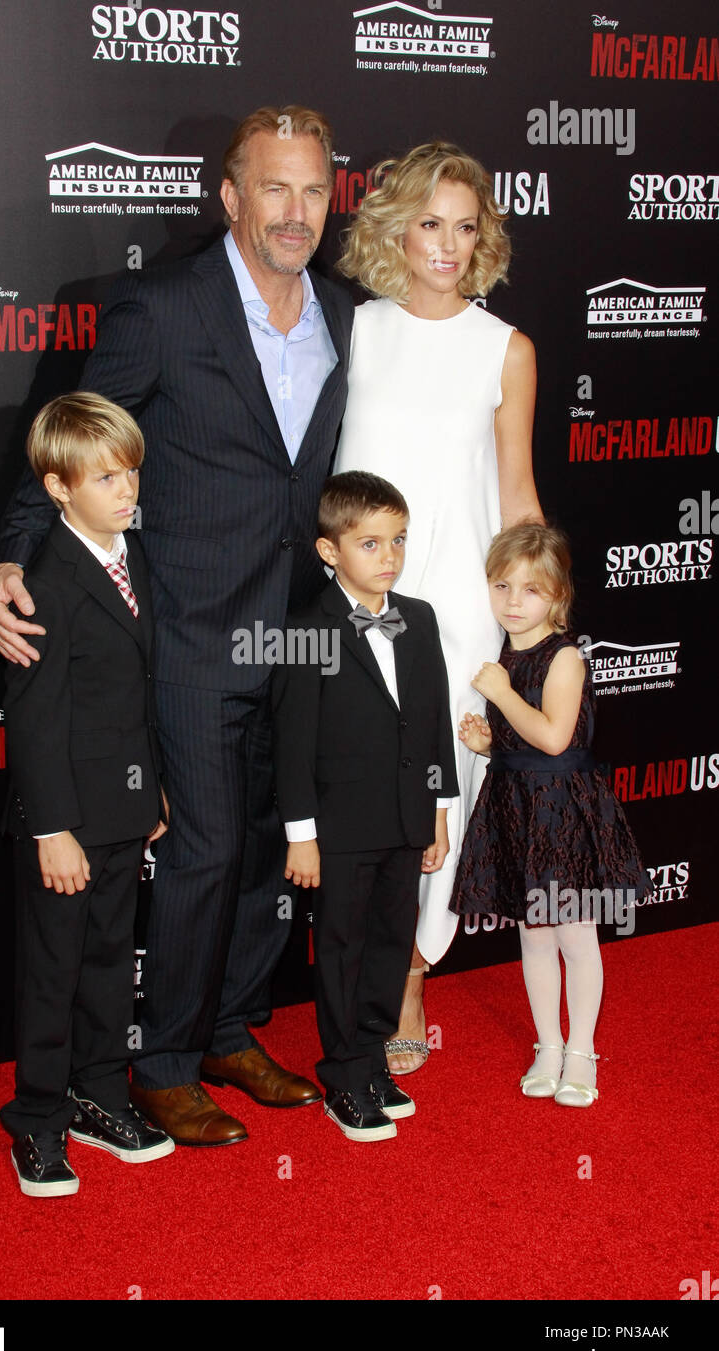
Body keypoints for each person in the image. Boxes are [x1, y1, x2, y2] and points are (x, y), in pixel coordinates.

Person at [0, 107, 354, 1145]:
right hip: (191, 627)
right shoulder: (162, 305)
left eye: (313, 190)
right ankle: (163, 1062)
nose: (294, 211)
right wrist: (13, 554)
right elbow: (71, 443)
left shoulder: (343, 311)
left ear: (334, 200)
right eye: (272, 189)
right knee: (198, 851)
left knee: (261, 849)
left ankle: (232, 1026)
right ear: (230, 197)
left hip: (297, 633)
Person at [333, 140, 543, 1072]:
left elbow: (519, 495)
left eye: (465, 226)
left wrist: (537, 621)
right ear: (394, 228)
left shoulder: (507, 350)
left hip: (458, 607)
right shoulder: (355, 330)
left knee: (443, 797)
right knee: (352, 788)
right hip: (352, 604)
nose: (447, 245)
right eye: (429, 223)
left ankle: (413, 972)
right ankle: (349, 971)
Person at [0, 392, 174, 1195]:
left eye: (130, 472)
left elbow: (137, 693)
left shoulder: (133, 556)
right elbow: (34, 721)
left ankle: (100, 1094)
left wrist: (154, 793)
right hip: (65, 821)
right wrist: (52, 830)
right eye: (105, 478)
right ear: (58, 487)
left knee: (109, 961)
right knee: (54, 969)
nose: (126, 490)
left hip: (124, 808)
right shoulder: (46, 581)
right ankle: (37, 1119)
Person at [271, 473, 458, 1139]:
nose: (389, 556)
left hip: (407, 819)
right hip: (340, 831)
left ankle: (372, 1055)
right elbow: (291, 745)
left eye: (398, 541)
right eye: (371, 543)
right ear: (330, 551)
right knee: (343, 948)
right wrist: (301, 835)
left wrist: (438, 810)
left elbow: (433, 720)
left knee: (387, 943)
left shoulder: (421, 618)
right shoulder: (304, 630)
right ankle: (343, 1074)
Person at [450, 524, 649, 1107]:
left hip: (564, 813)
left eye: (531, 591)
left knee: (576, 935)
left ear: (558, 597)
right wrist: (491, 744)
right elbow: (526, 742)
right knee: (534, 936)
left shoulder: (564, 658)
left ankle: (582, 1049)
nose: (514, 602)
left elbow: (558, 740)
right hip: (516, 805)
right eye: (502, 586)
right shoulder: (506, 653)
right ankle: (548, 1044)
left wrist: (503, 695)